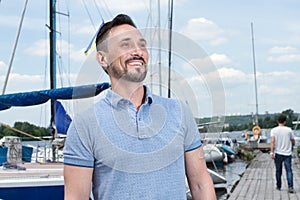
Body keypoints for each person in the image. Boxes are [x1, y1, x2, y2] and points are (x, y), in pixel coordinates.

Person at [63, 14, 216, 200]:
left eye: (141, 45)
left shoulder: (179, 111)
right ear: (102, 59)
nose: (137, 51)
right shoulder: (84, 124)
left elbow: (200, 184)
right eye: (125, 44)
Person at [270, 114, 295, 193]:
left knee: (278, 170)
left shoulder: (274, 130)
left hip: (278, 153)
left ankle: (278, 186)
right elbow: (293, 140)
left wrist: (271, 152)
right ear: (285, 122)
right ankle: (290, 187)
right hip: (287, 153)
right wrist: (292, 146)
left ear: (278, 121)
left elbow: (272, 142)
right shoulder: (289, 130)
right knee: (289, 170)